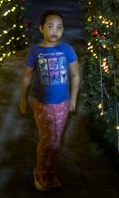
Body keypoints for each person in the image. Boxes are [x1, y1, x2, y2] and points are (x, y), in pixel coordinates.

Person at [19, 10, 81, 191]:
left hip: (62, 103)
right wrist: (23, 99)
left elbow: (75, 75)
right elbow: (27, 77)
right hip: (42, 102)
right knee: (46, 139)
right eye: (50, 26)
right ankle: (39, 173)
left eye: (59, 27)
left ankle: (51, 172)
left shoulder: (67, 50)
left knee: (56, 140)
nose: (55, 31)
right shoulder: (35, 51)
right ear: (41, 28)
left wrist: (73, 99)